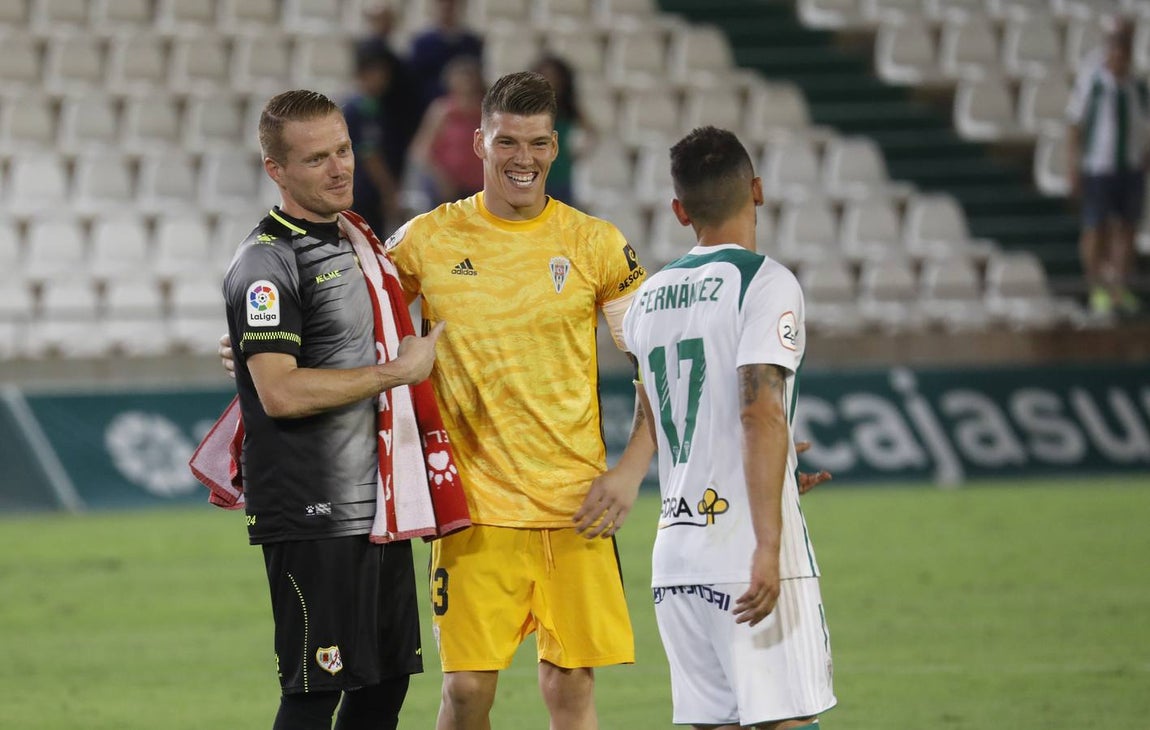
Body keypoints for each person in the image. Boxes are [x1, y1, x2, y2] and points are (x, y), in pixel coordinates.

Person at [221, 89, 447, 730]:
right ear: (277, 170)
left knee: (385, 683)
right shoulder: (267, 260)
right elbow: (281, 393)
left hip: (377, 499)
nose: (340, 167)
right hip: (312, 508)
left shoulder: (357, 242)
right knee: (316, 688)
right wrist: (396, 374)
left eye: (344, 149)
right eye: (317, 158)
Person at [622, 126, 836, 729]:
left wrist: (778, 469)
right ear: (758, 190)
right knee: (786, 721)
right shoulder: (766, 283)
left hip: (678, 560)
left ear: (679, 210)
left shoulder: (647, 299)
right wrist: (768, 545)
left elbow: (665, 417)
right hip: (747, 556)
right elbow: (758, 410)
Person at [1066, 15, 1147, 317]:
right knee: (1095, 228)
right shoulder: (1094, 81)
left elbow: (1143, 126)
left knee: (1127, 229)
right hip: (1098, 167)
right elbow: (1074, 124)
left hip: (1130, 167)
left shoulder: (1138, 85)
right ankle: (1096, 287)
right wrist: (1073, 164)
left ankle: (1120, 288)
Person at [410, 55, 486, 207]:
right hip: (447, 190)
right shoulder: (441, 111)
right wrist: (442, 180)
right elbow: (421, 151)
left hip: (479, 190)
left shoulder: (486, 112)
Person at [343, 47, 401, 236]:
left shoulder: (374, 106)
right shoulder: (361, 108)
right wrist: (388, 190)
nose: (384, 80)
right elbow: (369, 154)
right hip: (363, 190)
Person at [532, 54, 590, 206]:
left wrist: (578, 153)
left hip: (561, 172)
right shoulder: (527, 108)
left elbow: (592, 132)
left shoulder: (569, 108)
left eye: (554, 77)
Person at [408, 0, 483, 111]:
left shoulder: (471, 42)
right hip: (428, 107)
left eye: (451, 3)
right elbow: (415, 79)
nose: (446, 7)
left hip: (463, 109)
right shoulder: (422, 42)